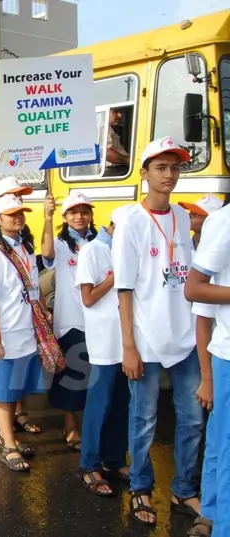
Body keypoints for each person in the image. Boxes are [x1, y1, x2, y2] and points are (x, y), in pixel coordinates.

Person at [113, 137, 202, 525]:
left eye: (176, 167)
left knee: (193, 417)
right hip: (146, 340)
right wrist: (129, 347)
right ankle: (141, 488)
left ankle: (184, 490)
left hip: (184, 340)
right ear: (145, 173)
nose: (170, 174)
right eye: (162, 167)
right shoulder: (131, 222)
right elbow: (125, 290)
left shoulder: (183, 218)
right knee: (143, 419)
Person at [0, 194, 47, 472]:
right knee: (4, 392)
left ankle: (9, 436)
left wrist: (41, 311)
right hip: (3, 334)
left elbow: (32, 287)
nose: (18, 217)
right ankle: (7, 446)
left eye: (21, 212)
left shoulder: (26, 249)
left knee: (15, 389)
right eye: (11, 214)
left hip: (24, 331)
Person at [75, 205, 132, 496]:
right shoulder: (92, 251)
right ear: (112, 227)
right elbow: (88, 298)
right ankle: (89, 464)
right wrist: (116, 276)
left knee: (122, 403)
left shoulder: (126, 248)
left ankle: (114, 460)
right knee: (100, 404)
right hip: (104, 341)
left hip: (128, 341)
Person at [184, 201, 230, 537]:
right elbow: (195, 290)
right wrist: (207, 376)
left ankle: (213, 516)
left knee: (220, 443)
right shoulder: (225, 224)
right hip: (227, 355)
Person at [41, 191, 98, 452]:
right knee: (72, 374)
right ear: (66, 216)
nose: (79, 216)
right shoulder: (61, 244)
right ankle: (70, 422)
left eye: (84, 211)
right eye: (73, 212)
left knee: (96, 375)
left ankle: (92, 423)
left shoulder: (100, 242)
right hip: (71, 319)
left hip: (99, 319)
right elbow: (47, 253)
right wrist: (48, 217)